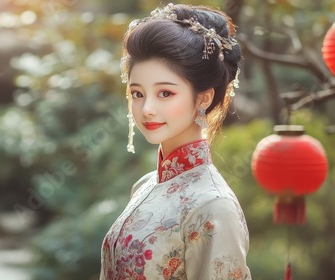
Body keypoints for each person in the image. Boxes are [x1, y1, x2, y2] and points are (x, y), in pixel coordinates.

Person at [100, 3, 251, 280]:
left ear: (203, 97)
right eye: (137, 93)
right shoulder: (145, 185)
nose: (146, 109)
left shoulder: (213, 205)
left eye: (165, 93)